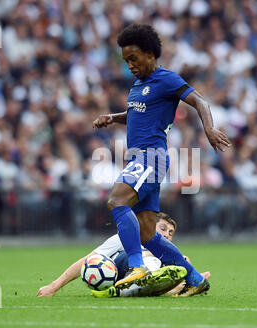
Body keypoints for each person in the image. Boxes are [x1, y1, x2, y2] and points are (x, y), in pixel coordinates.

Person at [92, 24, 230, 296]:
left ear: (150, 54)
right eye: (125, 60)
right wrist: (113, 118)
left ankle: (136, 266)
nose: (129, 65)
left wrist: (209, 129)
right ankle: (195, 279)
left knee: (116, 201)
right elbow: (136, 114)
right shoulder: (139, 85)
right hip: (140, 159)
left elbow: (200, 101)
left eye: (133, 58)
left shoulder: (166, 79)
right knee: (147, 235)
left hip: (150, 157)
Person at [36, 212, 210, 297]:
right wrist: (53, 287)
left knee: (183, 261)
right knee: (159, 261)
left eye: (170, 233)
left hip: (146, 276)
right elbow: (87, 261)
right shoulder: (127, 236)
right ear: (149, 225)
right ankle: (142, 280)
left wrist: (179, 287)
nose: (166, 235)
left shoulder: (169, 252)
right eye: (162, 229)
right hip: (120, 268)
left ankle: (127, 289)